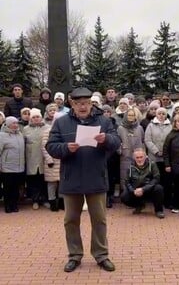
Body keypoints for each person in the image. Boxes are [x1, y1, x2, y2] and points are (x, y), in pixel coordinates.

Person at [46, 87, 121, 272]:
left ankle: (101, 255)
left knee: (99, 219)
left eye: (86, 103)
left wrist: (106, 139)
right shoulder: (61, 122)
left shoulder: (103, 121)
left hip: (96, 177)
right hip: (71, 179)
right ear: (72, 103)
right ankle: (75, 255)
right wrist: (65, 148)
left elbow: (116, 141)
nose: (83, 106)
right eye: (79, 103)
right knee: (71, 219)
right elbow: (51, 146)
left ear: (91, 103)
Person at [121, 148, 165, 218]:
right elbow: (127, 181)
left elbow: (156, 179)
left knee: (159, 188)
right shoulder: (130, 167)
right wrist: (133, 191)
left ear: (145, 157)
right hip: (136, 190)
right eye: (137, 157)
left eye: (141, 157)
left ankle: (159, 210)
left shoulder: (152, 165)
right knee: (124, 196)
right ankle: (139, 205)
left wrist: (143, 189)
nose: (139, 159)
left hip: (149, 189)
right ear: (134, 158)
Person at [145, 107, 173, 208]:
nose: (161, 115)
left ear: (166, 115)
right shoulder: (151, 126)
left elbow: (172, 140)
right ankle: (156, 201)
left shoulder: (170, 126)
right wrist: (156, 151)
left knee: (167, 181)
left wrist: (165, 152)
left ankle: (167, 201)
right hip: (154, 158)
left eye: (163, 114)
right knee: (155, 180)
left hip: (166, 159)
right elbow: (147, 140)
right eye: (159, 113)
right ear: (156, 115)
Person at [0, 116, 25, 213]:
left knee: (16, 187)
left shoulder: (19, 134)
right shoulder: (2, 135)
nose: (15, 125)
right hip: (7, 167)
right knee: (7, 187)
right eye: (13, 123)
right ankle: (7, 205)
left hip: (19, 166)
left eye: (16, 123)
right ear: (8, 124)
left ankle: (14, 204)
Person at [117, 108, 144, 191]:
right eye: (129, 115)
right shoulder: (120, 128)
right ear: (126, 116)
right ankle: (126, 194)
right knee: (125, 175)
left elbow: (143, 140)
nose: (131, 117)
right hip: (125, 155)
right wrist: (120, 151)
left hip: (138, 156)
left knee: (137, 176)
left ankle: (136, 194)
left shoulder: (139, 128)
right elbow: (117, 141)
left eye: (132, 115)